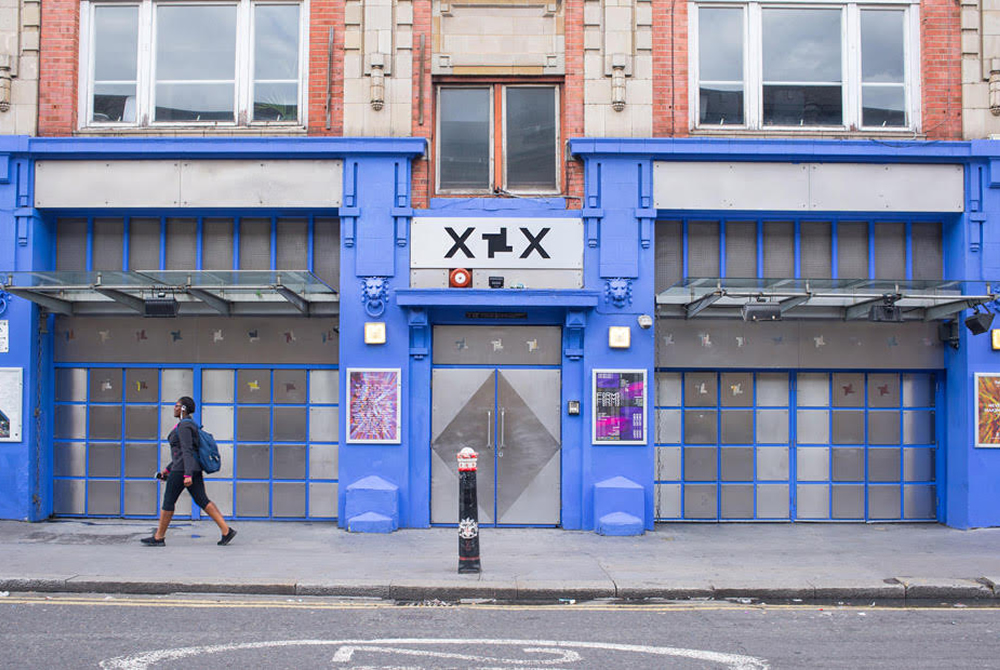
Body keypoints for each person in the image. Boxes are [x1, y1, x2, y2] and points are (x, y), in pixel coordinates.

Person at [140, 396, 236, 547]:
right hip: (189, 467)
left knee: (168, 501)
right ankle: (226, 530)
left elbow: (187, 450)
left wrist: (187, 474)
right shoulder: (189, 424)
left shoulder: (185, 426)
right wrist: (167, 469)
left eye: (177, 406)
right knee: (202, 500)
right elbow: (183, 453)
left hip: (183, 470)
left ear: (183, 408)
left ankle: (159, 537)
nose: (174, 408)